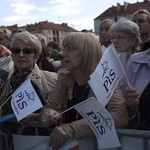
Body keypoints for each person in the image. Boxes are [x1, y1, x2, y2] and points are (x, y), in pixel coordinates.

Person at [40, 32, 129, 149]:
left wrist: (71, 128)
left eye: (70, 48)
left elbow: (120, 115)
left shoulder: (104, 79)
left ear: (87, 53)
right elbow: (49, 106)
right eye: (63, 49)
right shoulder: (65, 78)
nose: (62, 54)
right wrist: (48, 114)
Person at [0, 31, 58, 149]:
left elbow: (62, 113)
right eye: (16, 51)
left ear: (36, 56)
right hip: (7, 142)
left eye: (27, 51)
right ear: (12, 55)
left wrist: (35, 117)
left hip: (37, 143)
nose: (21, 55)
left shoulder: (51, 79)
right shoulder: (6, 79)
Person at [124, 46, 150, 129]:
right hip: (139, 137)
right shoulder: (135, 61)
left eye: (120, 37)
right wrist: (131, 107)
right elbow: (122, 109)